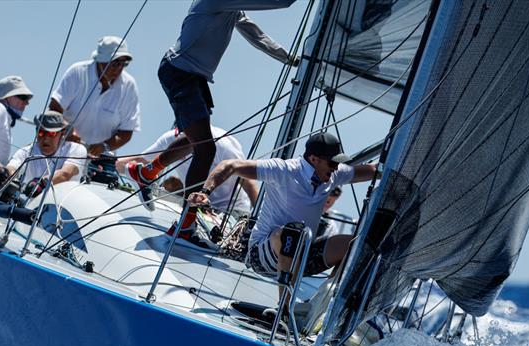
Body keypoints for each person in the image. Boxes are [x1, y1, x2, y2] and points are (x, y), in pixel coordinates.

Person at [126, 0, 298, 247]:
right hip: (180, 72)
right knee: (206, 149)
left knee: (198, 140)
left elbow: (256, 35)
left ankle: (145, 172)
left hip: (192, 76)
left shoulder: (232, 9)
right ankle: (185, 225)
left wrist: (291, 60)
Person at [188, 132, 376, 307]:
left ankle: (320, 308)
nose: (336, 168)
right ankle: (284, 310)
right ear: (313, 159)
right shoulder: (283, 170)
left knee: (354, 245)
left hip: (302, 255)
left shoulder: (333, 175)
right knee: (293, 233)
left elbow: (369, 171)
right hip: (263, 255)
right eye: (332, 163)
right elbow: (230, 166)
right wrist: (205, 192)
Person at [116, 125, 259, 216]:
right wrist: (112, 164)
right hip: (197, 206)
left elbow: (247, 181)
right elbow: (142, 160)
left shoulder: (224, 145)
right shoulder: (171, 138)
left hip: (232, 213)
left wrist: (258, 217)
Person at [50, 36, 140, 157]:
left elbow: (126, 131)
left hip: (100, 161)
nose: (119, 68)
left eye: (123, 64)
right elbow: (54, 109)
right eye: (115, 63)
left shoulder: (129, 85)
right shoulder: (77, 72)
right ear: (101, 61)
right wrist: (67, 130)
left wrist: (104, 146)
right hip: (64, 151)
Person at [6, 111, 87, 197]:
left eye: (52, 133)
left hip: (68, 205)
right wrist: (6, 174)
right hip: (34, 206)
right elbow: (12, 167)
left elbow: (65, 174)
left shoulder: (77, 149)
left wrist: (42, 183)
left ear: (62, 134)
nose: (46, 138)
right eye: (41, 132)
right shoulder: (26, 151)